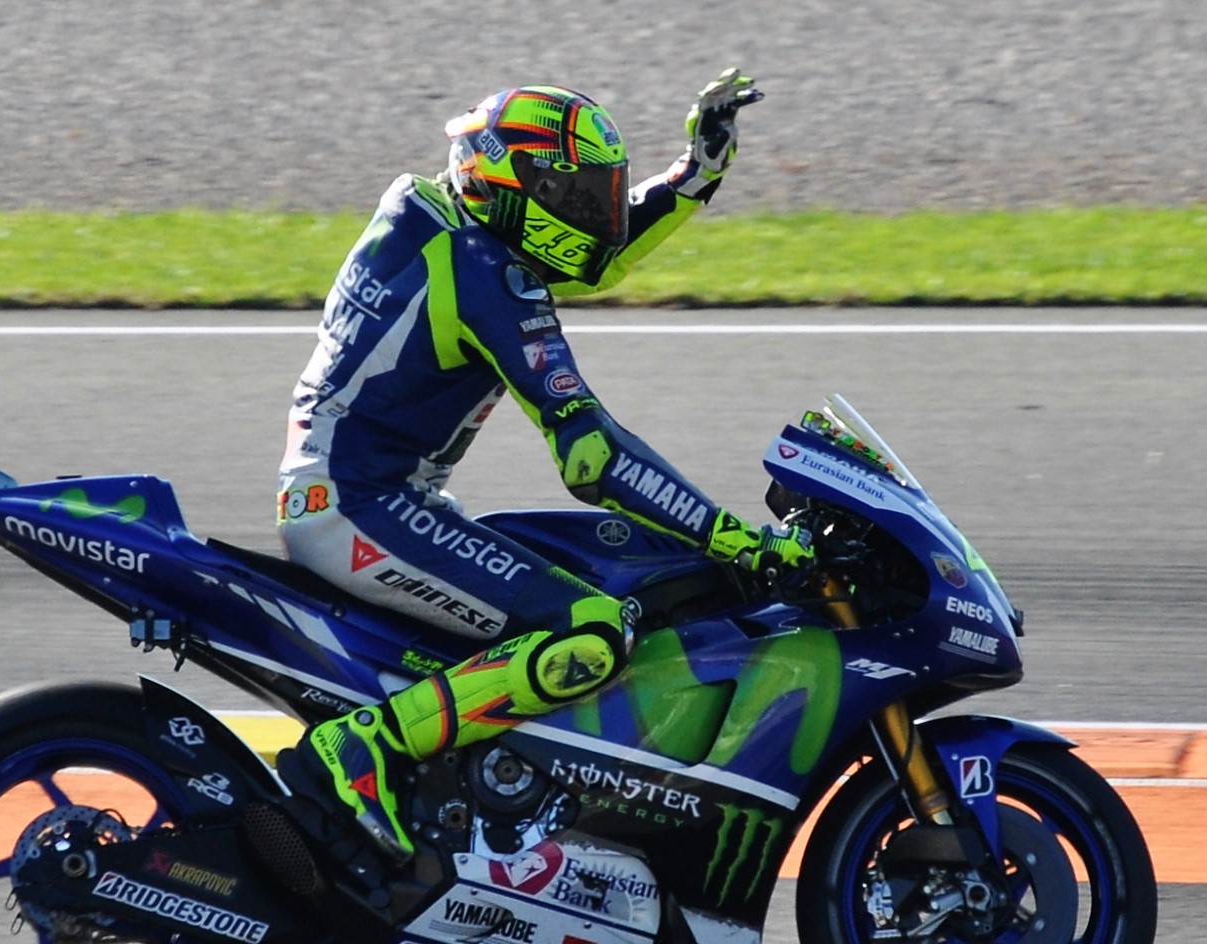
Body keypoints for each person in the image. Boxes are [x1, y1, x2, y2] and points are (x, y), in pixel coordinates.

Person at [274, 71, 813, 892]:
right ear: (516, 186)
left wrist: (693, 176)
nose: (594, 212)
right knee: (589, 630)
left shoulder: (445, 226)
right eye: (575, 193)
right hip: (360, 505)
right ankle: (360, 750)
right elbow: (591, 457)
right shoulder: (481, 270)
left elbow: (595, 253)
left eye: (597, 194)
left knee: (586, 581)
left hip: (372, 494)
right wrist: (733, 536)